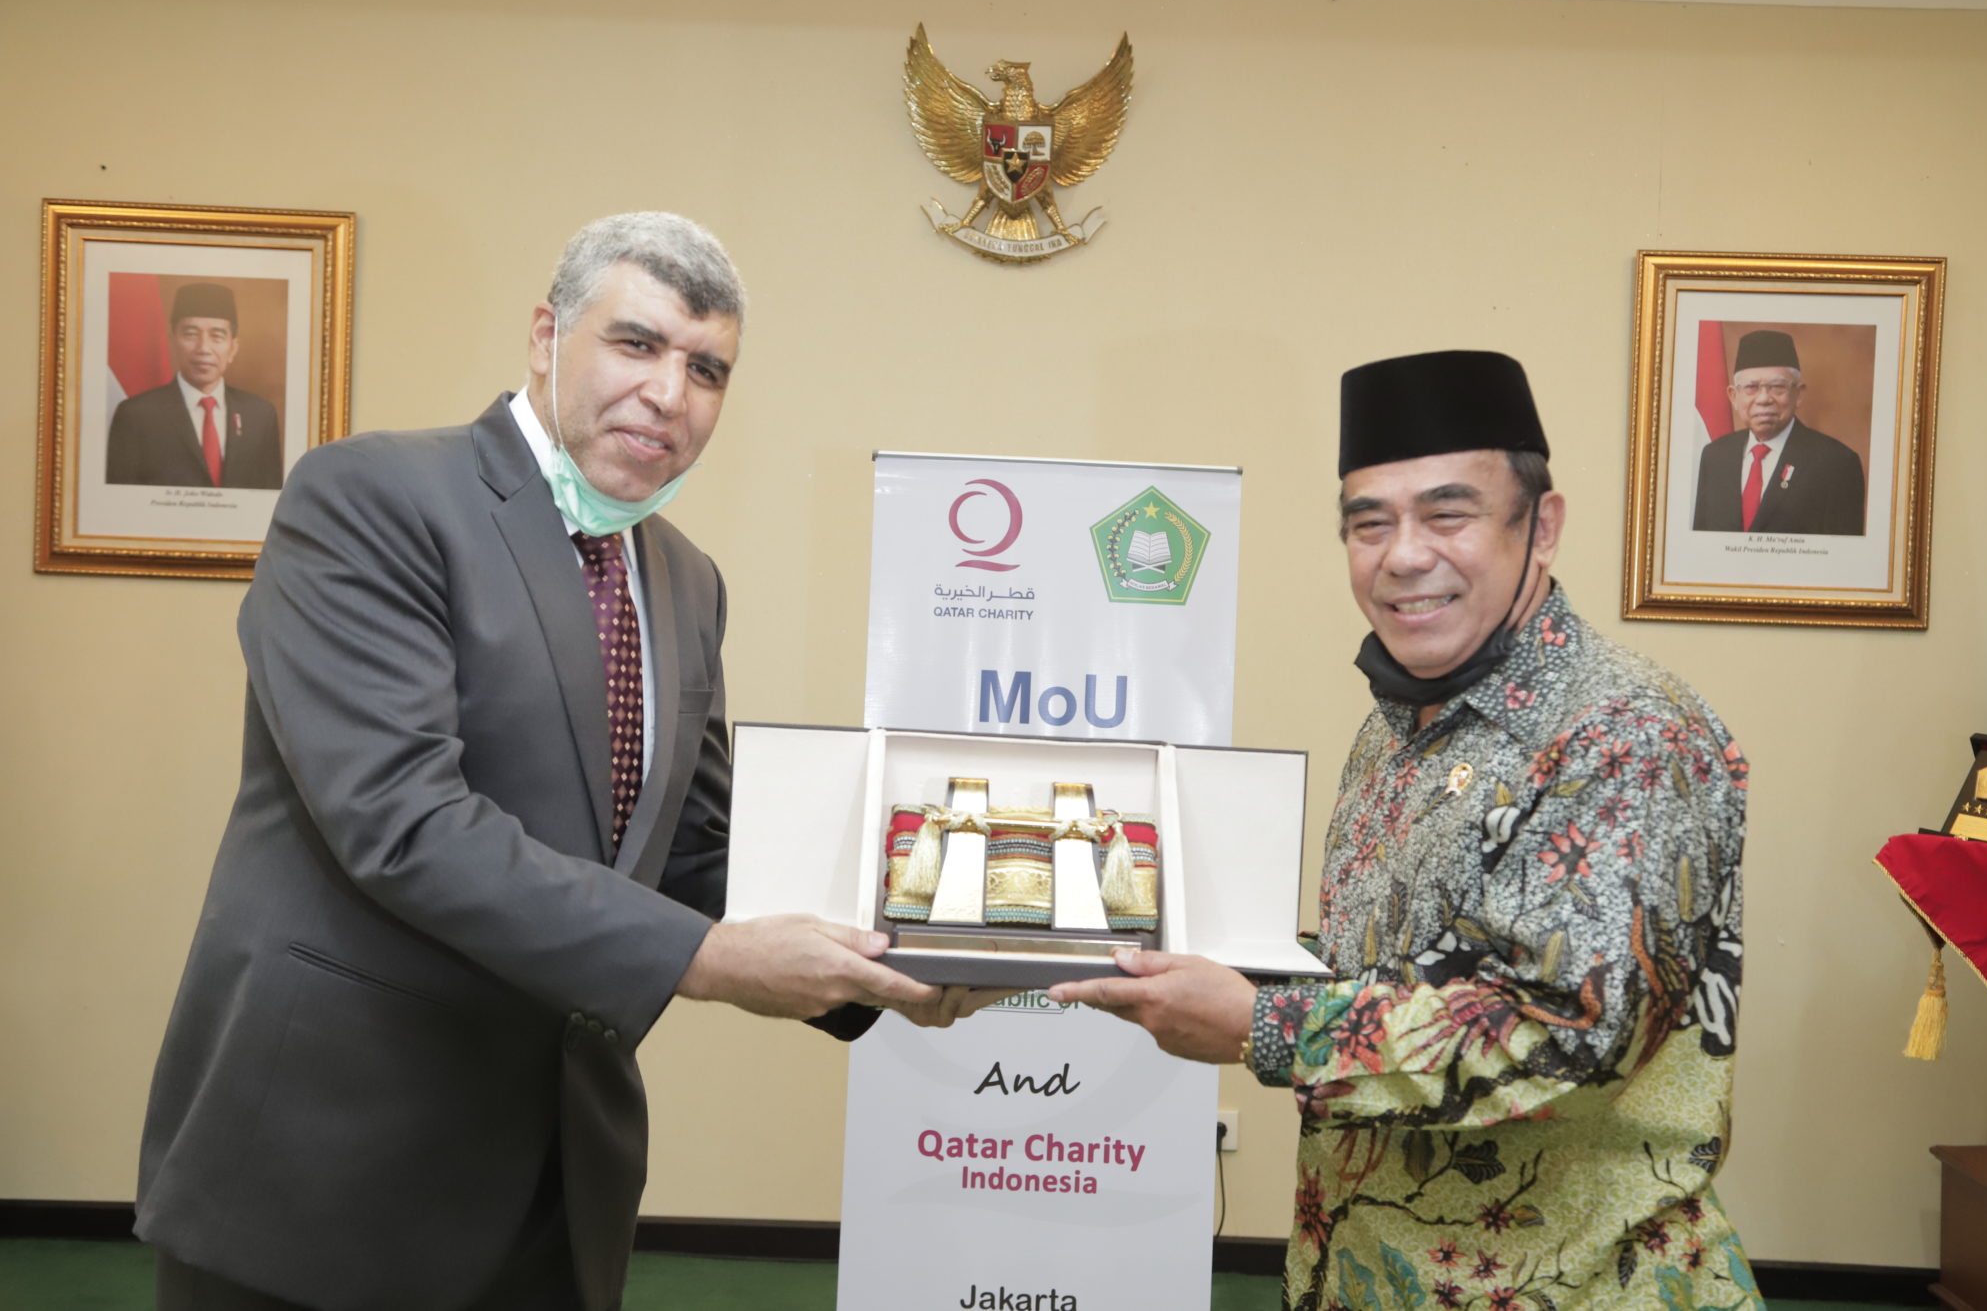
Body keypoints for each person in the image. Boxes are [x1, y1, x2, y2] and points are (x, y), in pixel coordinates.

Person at [136, 213, 960, 1311]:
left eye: (705, 368)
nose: (670, 393)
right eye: (636, 344)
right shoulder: (371, 497)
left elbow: (693, 851)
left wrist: (898, 956)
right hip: (332, 1172)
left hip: (561, 1187)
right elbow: (402, 825)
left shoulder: (683, 578)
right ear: (544, 335)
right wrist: (709, 961)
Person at [1051, 351, 1757, 1309]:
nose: (1403, 555)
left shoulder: (1625, 732)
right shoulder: (1398, 728)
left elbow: (1565, 1028)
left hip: (1580, 1282)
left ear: (1541, 526)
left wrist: (1262, 1023)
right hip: (1366, 1268)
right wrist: (1206, 955)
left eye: (1447, 513)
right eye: (1368, 522)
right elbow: (1399, 970)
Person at [106, 282, 285, 489]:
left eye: (217, 336)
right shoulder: (135, 414)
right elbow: (119, 503)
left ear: (233, 347)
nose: (203, 348)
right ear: (172, 340)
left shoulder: (260, 415)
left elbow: (270, 499)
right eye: (191, 334)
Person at [1692, 328, 1865, 535]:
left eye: (1777, 387)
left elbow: (1842, 558)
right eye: (1751, 387)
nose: (1764, 399)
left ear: (1798, 394)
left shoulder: (1836, 464)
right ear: (1733, 396)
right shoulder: (1715, 456)